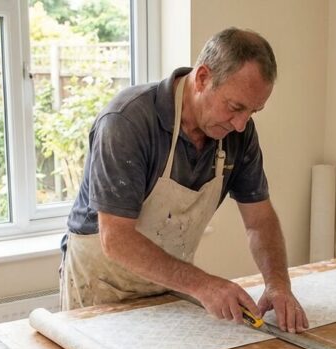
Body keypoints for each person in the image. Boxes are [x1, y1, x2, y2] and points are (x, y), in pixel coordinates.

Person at [61, 27, 308, 333]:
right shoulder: (127, 121)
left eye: (253, 111)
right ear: (203, 77)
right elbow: (116, 238)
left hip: (170, 288)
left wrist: (278, 285)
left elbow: (259, 220)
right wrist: (204, 284)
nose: (242, 124)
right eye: (235, 107)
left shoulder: (237, 134)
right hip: (101, 290)